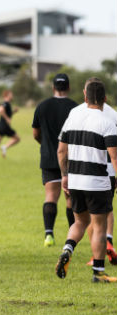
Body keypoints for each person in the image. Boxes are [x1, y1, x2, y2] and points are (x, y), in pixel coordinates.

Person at [55, 81, 117, 283]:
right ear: (105, 99)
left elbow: (61, 151)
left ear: (84, 96)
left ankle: (67, 249)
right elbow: (114, 157)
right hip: (97, 181)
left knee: (80, 221)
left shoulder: (73, 119)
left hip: (75, 179)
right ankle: (98, 273)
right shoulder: (106, 121)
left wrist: (65, 176)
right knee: (99, 226)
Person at [72, 77, 117, 265]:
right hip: (110, 171)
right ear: (105, 97)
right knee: (106, 209)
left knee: (92, 216)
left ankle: (96, 255)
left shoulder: (76, 113)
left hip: (83, 172)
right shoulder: (113, 114)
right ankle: (108, 242)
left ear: (85, 94)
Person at [32, 73, 78, 247]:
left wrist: (45, 145)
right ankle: (72, 233)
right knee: (70, 198)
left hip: (49, 157)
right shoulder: (75, 108)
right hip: (71, 159)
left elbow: (36, 133)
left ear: (53, 88)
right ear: (68, 87)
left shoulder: (42, 106)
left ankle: (48, 234)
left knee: (50, 195)